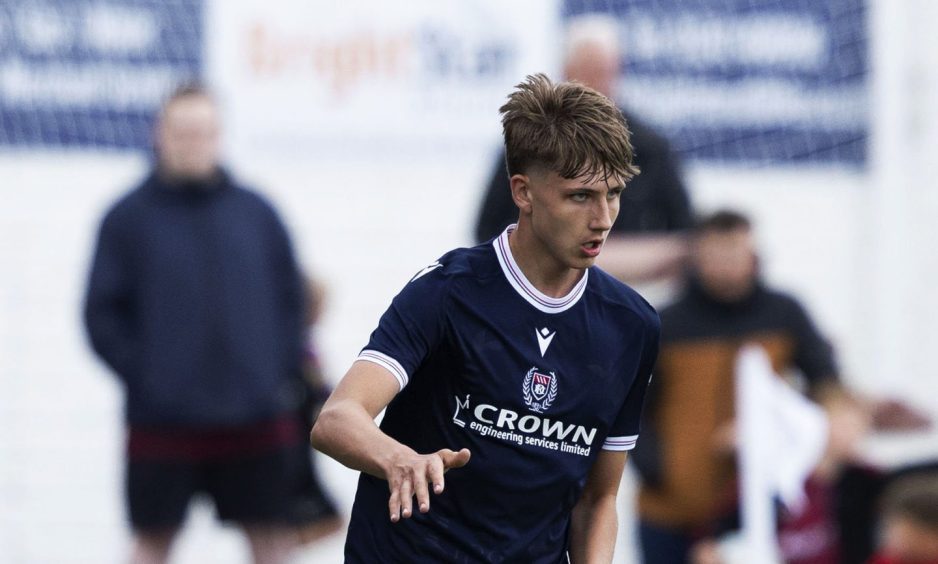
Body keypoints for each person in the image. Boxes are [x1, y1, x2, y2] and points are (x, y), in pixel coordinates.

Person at [311, 73, 660, 563]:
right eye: (580, 196)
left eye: (614, 193)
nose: (603, 217)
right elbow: (335, 419)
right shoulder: (447, 293)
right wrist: (399, 459)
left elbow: (597, 500)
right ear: (524, 192)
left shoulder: (633, 325)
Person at [84, 84, 318, 564]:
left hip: (256, 417)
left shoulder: (257, 213)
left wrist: (272, 373)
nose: (193, 141)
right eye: (182, 131)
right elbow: (100, 315)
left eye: (203, 131)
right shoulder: (126, 219)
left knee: (273, 542)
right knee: (151, 544)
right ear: (159, 134)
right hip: (161, 422)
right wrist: (149, 378)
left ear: (219, 136)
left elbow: (293, 302)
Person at [632, 209, 929, 564]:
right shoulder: (665, 323)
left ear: (753, 255)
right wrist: (655, 468)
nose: (727, 264)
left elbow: (825, 383)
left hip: (758, 498)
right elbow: (634, 405)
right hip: (673, 506)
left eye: (735, 253)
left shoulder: (784, 313)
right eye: (717, 253)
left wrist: (787, 432)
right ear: (698, 256)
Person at [474, 14, 692, 288]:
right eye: (586, 71)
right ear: (565, 71)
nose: (595, 83)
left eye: (603, 71)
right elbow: (487, 230)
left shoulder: (650, 147)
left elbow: (686, 235)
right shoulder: (526, 144)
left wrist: (617, 260)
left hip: (633, 288)